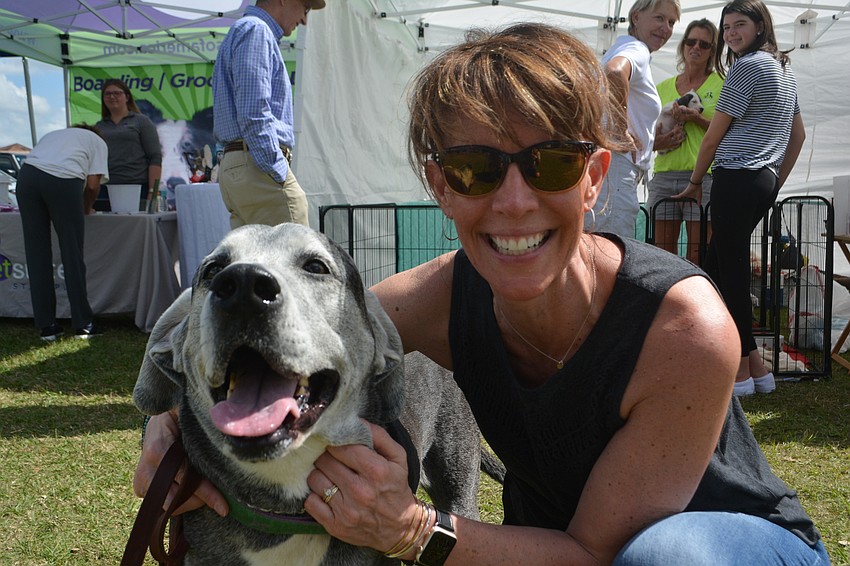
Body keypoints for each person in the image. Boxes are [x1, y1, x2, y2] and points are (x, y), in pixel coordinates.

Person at [134, 23, 829, 566]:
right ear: (439, 188)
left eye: (550, 162)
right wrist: (171, 425)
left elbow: (597, 554)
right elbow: (292, 329)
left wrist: (412, 531)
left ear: (594, 177)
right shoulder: (429, 300)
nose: (515, 201)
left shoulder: (684, 326)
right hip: (551, 542)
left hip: (722, 547)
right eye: (475, 169)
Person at [675, 0, 806, 397]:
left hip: (735, 177)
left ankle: (741, 372)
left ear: (760, 26)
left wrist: (696, 181)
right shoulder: (782, 70)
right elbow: (796, 136)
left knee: (729, 273)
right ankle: (757, 370)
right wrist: (774, 182)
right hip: (762, 179)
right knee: (716, 265)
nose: (731, 33)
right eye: (726, 27)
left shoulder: (747, 67)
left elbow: (713, 136)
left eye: (739, 25)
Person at [213, 0, 325, 229]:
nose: (304, 19)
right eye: (305, 9)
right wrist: (278, 171)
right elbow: (254, 114)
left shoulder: (247, 30)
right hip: (256, 164)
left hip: (242, 163)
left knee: (252, 261)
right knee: (293, 258)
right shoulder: (257, 30)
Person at [586, 0, 680, 239]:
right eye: (659, 18)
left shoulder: (622, 47)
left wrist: (650, 143)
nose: (666, 28)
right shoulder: (636, 50)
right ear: (636, 17)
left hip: (608, 165)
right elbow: (615, 73)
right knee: (612, 247)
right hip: (617, 171)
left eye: (671, 22)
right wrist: (620, 130)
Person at [16, 125, 109, 340]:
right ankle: (83, 324)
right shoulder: (97, 142)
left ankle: (47, 326)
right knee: (71, 252)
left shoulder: (53, 134)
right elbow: (93, 186)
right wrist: (86, 208)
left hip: (27, 178)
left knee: (36, 253)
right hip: (63, 180)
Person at [647, 19, 724, 263]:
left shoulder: (721, 84)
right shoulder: (661, 88)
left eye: (704, 44)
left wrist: (696, 118)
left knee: (697, 256)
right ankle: (666, 301)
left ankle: (694, 301)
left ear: (713, 50)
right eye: (691, 41)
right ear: (683, 45)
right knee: (662, 256)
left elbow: (728, 132)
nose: (696, 48)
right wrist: (659, 142)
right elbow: (644, 137)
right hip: (664, 176)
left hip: (703, 177)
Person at [95, 79, 162, 212]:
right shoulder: (98, 127)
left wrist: (152, 191)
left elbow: (155, 157)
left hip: (138, 188)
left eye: (117, 93)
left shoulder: (142, 121)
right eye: (107, 94)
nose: (112, 97)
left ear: (127, 97)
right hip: (106, 189)